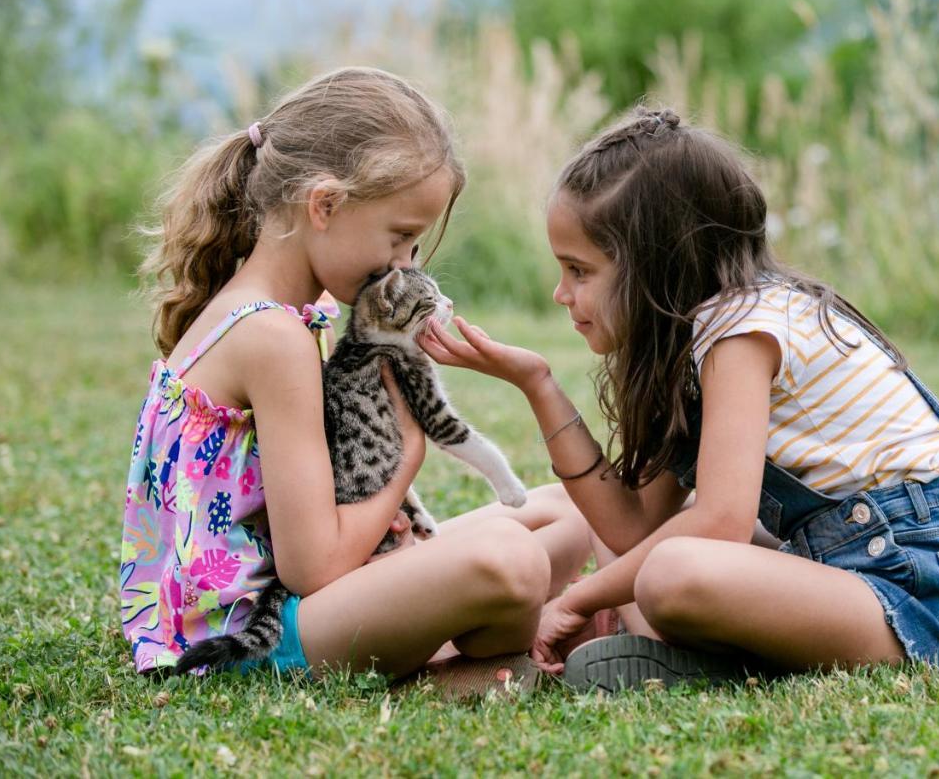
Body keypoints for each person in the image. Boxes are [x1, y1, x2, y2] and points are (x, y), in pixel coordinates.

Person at [420, 107, 939, 690]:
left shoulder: (743, 329)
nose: (560, 293)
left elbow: (721, 522)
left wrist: (577, 600)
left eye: (579, 270)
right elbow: (628, 525)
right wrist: (537, 384)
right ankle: (669, 645)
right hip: (831, 569)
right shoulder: (695, 344)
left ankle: (704, 661)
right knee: (644, 549)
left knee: (672, 571)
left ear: (655, 266)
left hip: (912, 597)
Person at [120, 66, 590, 679]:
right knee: (513, 560)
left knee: (564, 514)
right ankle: (459, 672)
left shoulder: (287, 312)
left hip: (298, 601)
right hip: (252, 638)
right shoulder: (274, 337)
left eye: (414, 249)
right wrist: (408, 454)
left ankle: (479, 637)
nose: (403, 265)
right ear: (325, 204)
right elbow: (314, 567)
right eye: (400, 238)